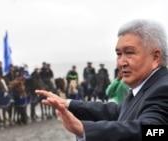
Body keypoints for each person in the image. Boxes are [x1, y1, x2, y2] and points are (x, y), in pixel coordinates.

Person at [35, 19, 168, 141]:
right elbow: (114, 111)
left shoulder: (162, 89)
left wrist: (84, 129)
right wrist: (68, 103)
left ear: (155, 57)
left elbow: (150, 130)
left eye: (129, 53)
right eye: (119, 54)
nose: (121, 62)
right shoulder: (146, 87)